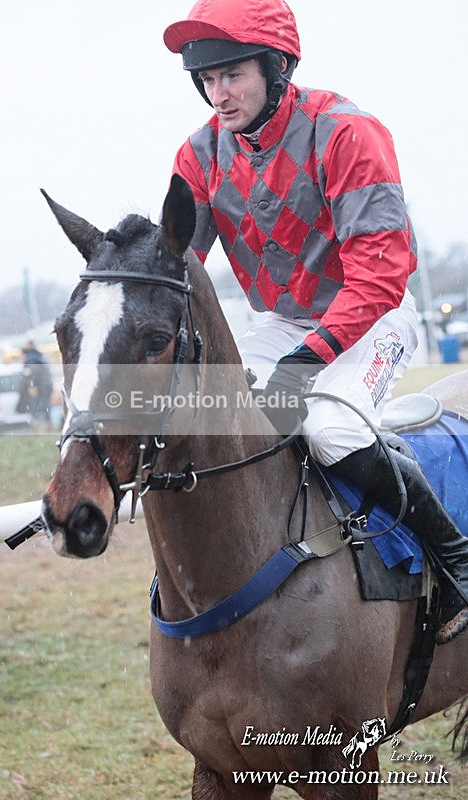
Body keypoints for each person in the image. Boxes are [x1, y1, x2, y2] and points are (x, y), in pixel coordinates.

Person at [163, 0, 467, 644]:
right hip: (280, 320)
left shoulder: (347, 132)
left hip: (372, 314)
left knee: (328, 428)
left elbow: (381, 275)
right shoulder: (199, 155)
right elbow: (177, 263)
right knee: (218, 413)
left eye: (233, 76)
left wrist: (308, 360)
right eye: (207, 80)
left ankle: (457, 560)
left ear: (277, 67)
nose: (218, 95)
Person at [17, 341, 54, 430]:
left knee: (37, 408)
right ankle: (49, 425)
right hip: (46, 385)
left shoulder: (31, 358)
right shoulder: (39, 356)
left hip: (39, 387)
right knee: (45, 406)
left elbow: (32, 372)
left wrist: (31, 385)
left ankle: (41, 427)